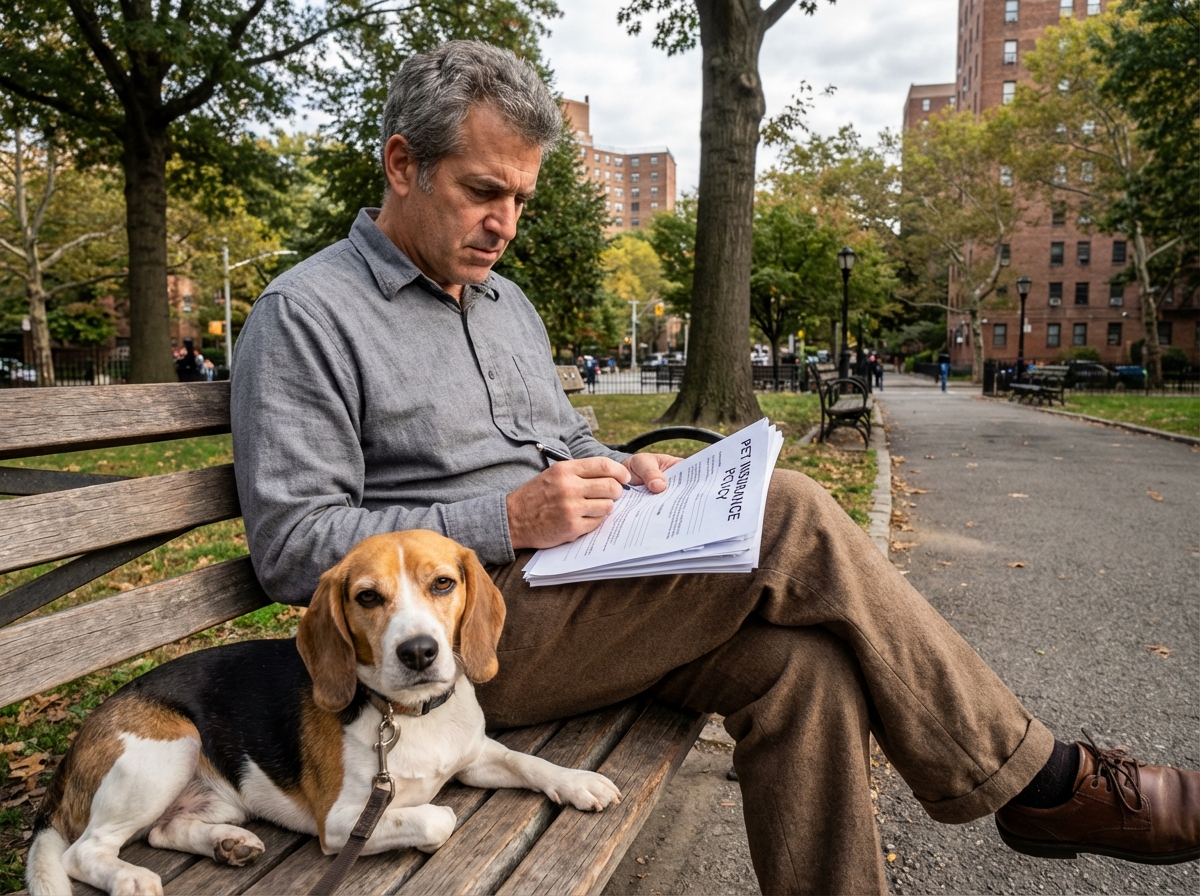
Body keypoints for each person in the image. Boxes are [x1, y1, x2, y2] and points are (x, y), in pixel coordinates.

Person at [230, 41, 1199, 895]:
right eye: (484, 191)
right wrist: (506, 517)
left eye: (521, 197)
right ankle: (1040, 779)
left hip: (600, 587)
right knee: (792, 514)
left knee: (801, 668)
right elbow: (289, 545)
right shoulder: (307, 314)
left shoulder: (502, 301)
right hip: (463, 640)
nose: (506, 222)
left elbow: (564, 439)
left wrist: (629, 470)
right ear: (402, 163)